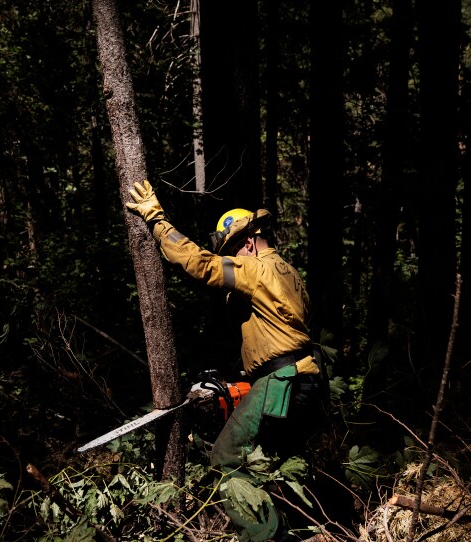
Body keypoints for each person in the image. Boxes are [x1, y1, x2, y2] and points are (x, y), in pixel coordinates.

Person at [126, 179, 324, 542]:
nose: (232, 256)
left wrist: (157, 220)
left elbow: (201, 264)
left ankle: (270, 538)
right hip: (304, 377)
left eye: (234, 248)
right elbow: (282, 334)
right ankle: (306, 531)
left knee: (226, 457)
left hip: (282, 381)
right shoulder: (290, 273)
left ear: (249, 241)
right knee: (277, 463)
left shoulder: (256, 269)